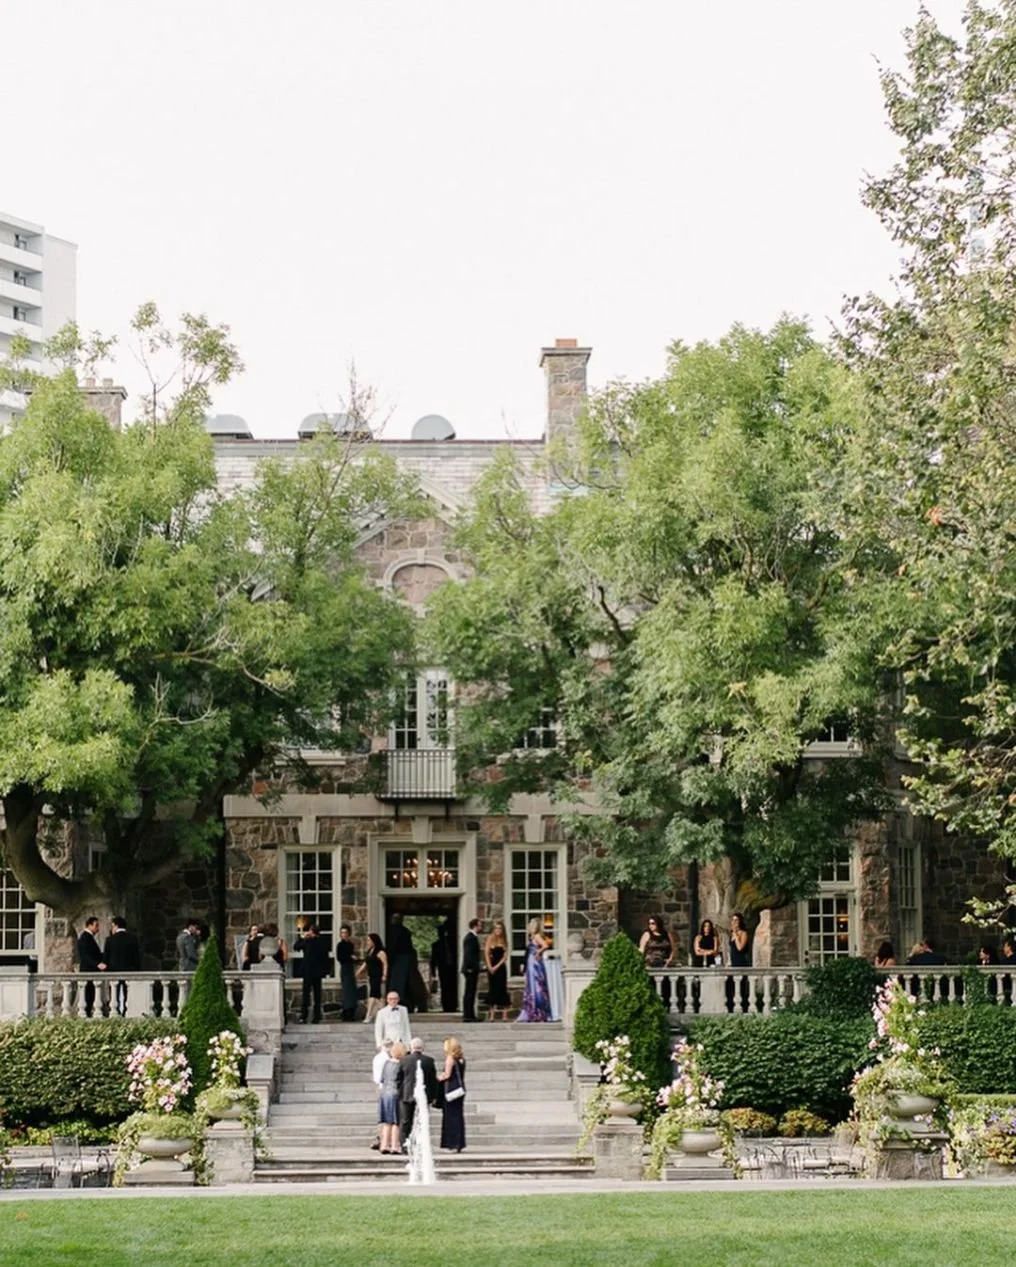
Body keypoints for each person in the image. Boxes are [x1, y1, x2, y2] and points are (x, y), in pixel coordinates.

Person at [397, 1036, 439, 1148]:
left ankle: (405, 1145)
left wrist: (400, 1092)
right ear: (423, 1048)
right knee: (422, 1121)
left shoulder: (404, 1060)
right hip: (424, 1096)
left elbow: (398, 1078)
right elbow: (433, 1080)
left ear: (411, 1047)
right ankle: (421, 1144)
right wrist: (433, 1096)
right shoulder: (429, 1061)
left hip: (406, 1095)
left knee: (406, 1121)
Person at [104, 916, 141, 1016]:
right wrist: (137, 970)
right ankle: (126, 1011)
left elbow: (106, 958)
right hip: (129, 970)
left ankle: (114, 1012)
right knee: (128, 993)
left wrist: (106, 970)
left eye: (112, 926)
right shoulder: (133, 938)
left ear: (116, 925)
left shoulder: (110, 940)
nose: (112, 929)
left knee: (114, 994)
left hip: (114, 971)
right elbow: (136, 957)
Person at [294, 923, 330, 1023]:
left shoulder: (308, 942)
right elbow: (326, 959)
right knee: (317, 995)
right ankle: (316, 1017)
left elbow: (296, 946)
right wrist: (326, 971)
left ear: (312, 932)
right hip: (317, 972)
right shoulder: (323, 942)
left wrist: (302, 938)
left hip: (309, 971)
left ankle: (304, 1016)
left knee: (306, 995)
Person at [516, 917, 551, 1022]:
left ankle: (538, 1011)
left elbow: (545, 945)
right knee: (531, 985)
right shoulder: (531, 936)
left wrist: (539, 951)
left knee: (537, 985)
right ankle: (531, 1010)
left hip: (535, 962)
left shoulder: (536, 936)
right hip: (530, 961)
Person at [639, 916, 676, 1010]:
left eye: (653, 923)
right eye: (649, 923)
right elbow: (641, 949)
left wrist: (670, 959)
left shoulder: (667, 934)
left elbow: (673, 948)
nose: (651, 926)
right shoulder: (647, 934)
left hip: (663, 963)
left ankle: (665, 1006)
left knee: (665, 986)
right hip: (650, 963)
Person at [437, 1036, 466, 1152]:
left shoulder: (450, 1059)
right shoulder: (461, 1059)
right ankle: (459, 1143)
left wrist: (438, 1078)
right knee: (458, 1116)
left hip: (450, 1091)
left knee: (450, 1117)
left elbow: (447, 1075)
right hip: (460, 1090)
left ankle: (451, 1143)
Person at [377, 1040, 404, 1155]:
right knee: (395, 1122)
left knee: (387, 1122)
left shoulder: (386, 1063)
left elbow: (382, 1079)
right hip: (395, 1093)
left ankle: (384, 1145)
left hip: (384, 1094)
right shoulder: (400, 1065)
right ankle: (394, 1146)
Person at [76, 916, 105, 1018]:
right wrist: (97, 964)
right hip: (88, 970)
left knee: (91, 993)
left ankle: (88, 1012)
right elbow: (85, 956)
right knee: (88, 994)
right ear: (89, 925)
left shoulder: (88, 937)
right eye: (96, 926)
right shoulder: (85, 938)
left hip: (90, 969)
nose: (97, 929)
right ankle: (86, 1013)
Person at [725, 912, 752, 1014]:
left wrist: (736, 934)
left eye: (736, 920)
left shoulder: (743, 933)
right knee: (729, 986)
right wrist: (728, 962)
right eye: (733, 920)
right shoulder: (731, 934)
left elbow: (740, 947)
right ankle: (731, 1008)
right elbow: (731, 950)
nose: (734, 922)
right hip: (733, 962)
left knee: (741, 986)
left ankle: (743, 1008)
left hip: (741, 962)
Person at [359, 933, 388, 1024]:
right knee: (377, 997)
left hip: (377, 976)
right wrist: (359, 971)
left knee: (373, 995)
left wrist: (384, 975)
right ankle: (385, 1011)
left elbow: (385, 964)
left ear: (374, 941)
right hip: (371, 976)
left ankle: (368, 1015)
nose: (367, 942)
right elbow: (366, 963)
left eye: (369, 940)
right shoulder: (370, 952)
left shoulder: (380, 952)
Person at [484, 920, 510, 1021]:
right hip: (492, 965)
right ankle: (492, 1015)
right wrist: (490, 966)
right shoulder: (490, 939)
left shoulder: (504, 940)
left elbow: (505, 956)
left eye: (500, 928)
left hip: (501, 967)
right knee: (492, 989)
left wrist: (497, 966)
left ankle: (504, 1015)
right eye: (496, 928)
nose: (498, 930)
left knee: (502, 988)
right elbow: (486, 953)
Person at [430, 920, 457, 1013]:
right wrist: (433, 973)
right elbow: (433, 960)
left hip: (452, 968)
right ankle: (446, 1006)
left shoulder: (453, 942)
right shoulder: (435, 945)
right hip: (443, 968)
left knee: (452, 987)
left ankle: (452, 1005)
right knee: (445, 987)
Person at [335, 923, 359, 1021]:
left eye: (345, 932)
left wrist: (354, 958)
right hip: (345, 967)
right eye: (342, 933)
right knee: (347, 990)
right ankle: (346, 1012)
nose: (343, 934)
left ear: (348, 934)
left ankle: (351, 1011)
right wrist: (350, 957)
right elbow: (340, 958)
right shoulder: (340, 945)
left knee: (351, 990)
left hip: (350, 967)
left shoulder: (350, 945)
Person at [388, 913, 413, 1002]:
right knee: (400, 980)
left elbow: (393, 945)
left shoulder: (397, 931)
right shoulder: (405, 931)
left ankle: (398, 999)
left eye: (395, 918)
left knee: (398, 980)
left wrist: (390, 956)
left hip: (399, 957)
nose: (393, 920)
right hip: (401, 957)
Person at [461, 918, 482, 1022]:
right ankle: (468, 1015)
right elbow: (469, 955)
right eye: (479, 925)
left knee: (471, 992)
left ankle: (471, 1015)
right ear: (475, 926)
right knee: (469, 992)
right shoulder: (470, 938)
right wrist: (470, 967)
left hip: (472, 969)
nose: (481, 927)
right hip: (470, 969)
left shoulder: (472, 937)